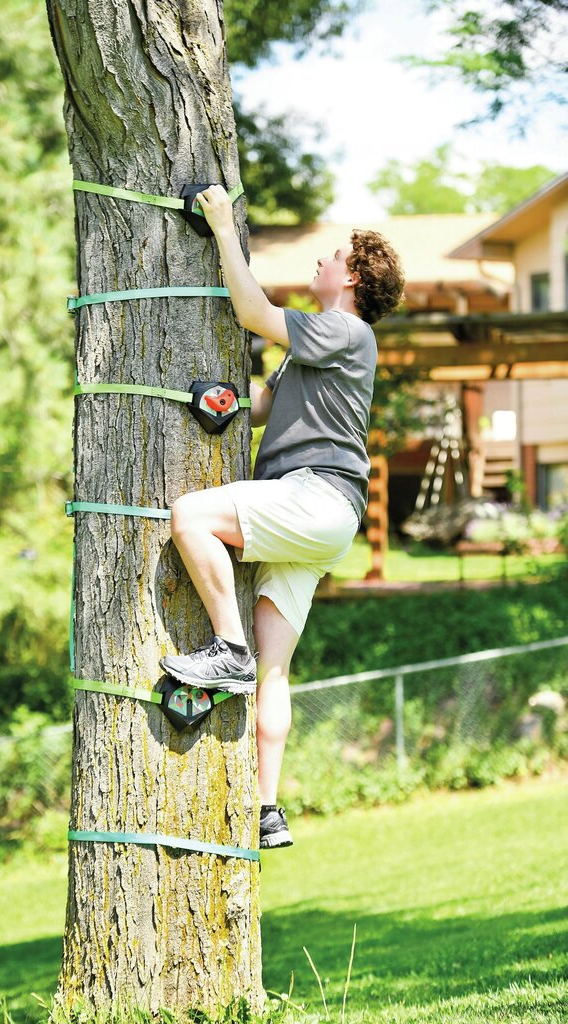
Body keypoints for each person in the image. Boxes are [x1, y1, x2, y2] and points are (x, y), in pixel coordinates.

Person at [160, 185, 405, 848]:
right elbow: (265, 404)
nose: (320, 263)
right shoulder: (321, 342)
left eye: (331, 257)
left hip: (314, 495)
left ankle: (224, 649)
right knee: (277, 671)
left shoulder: (342, 326)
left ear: (350, 277)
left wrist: (219, 224)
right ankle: (267, 808)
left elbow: (250, 309)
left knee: (190, 515)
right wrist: (225, 403)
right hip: (322, 517)